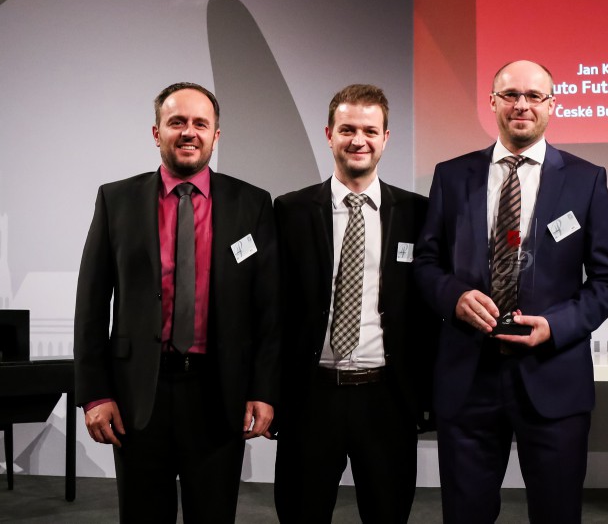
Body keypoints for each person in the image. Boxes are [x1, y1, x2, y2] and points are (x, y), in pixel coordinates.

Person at [414, 60, 608, 523]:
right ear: (492, 102)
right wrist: (454, 298)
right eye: (510, 95)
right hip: (468, 378)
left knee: (557, 514)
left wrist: (554, 325)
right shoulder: (452, 176)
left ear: (552, 105)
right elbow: (426, 263)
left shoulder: (586, 179)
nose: (522, 105)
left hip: (553, 376)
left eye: (534, 96)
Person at [74, 82, 280, 523]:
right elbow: (90, 305)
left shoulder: (252, 204)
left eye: (200, 123)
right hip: (137, 398)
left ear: (216, 135)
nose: (189, 132)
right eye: (177, 122)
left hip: (218, 394)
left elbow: (268, 310)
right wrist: (94, 394)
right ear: (156, 133)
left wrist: (263, 390)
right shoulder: (116, 200)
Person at [272, 84, 436, 522]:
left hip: (386, 399)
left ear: (386, 138)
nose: (358, 140)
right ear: (329, 134)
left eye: (369, 130)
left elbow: (427, 314)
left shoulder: (418, 213)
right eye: (347, 129)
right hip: (311, 397)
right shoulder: (289, 211)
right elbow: (273, 311)